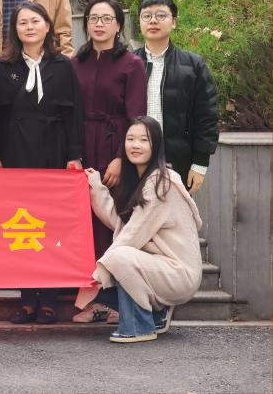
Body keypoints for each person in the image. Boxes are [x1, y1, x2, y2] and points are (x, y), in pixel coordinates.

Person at [0, 1, 84, 325]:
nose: (29, 27)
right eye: (22, 23)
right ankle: (27, 298)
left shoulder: (63, 66)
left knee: (51, 226)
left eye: (35, 21)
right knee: (22, 227)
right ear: (14, 30)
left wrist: (74, 155)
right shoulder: (3, 67)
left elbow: (74, 114)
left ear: (47, 26)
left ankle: (49, 299)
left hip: (54, 151)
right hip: (17, 152)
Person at [80, 117, 203, 343]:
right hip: (160, 267)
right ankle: (155, 315)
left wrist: (99, 274)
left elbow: (132, 235)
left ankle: (139, 326)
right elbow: (122, 224)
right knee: (116, 260)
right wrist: (96, 186)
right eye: (130, 139)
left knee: (118, 258)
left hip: (178, 273)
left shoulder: (161, 183)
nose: (135, 145)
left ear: (156, 145)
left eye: (144, 140)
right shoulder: (140, 179)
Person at [73, 0, 148, 257]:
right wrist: (73, 154)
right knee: (82, 212)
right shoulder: (75, 63)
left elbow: (137, 117)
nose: (99, 24)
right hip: (82, 143)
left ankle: (112, 277)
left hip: (115, 143)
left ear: (118, 25)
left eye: (106, 19)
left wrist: (120, 159)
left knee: (112, 213)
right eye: (93, 18)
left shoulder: (132, 64)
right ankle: (85, 274)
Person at [134, 0, 219, 190]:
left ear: (174, 22)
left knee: (176, 210)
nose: (153, 20)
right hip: (135, 159)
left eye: (161, 15)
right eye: (146, 16)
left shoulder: (193, 65)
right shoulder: (128, 64)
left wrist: (200, 163)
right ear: (140, 22)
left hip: (177, 160)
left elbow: (206, 116)